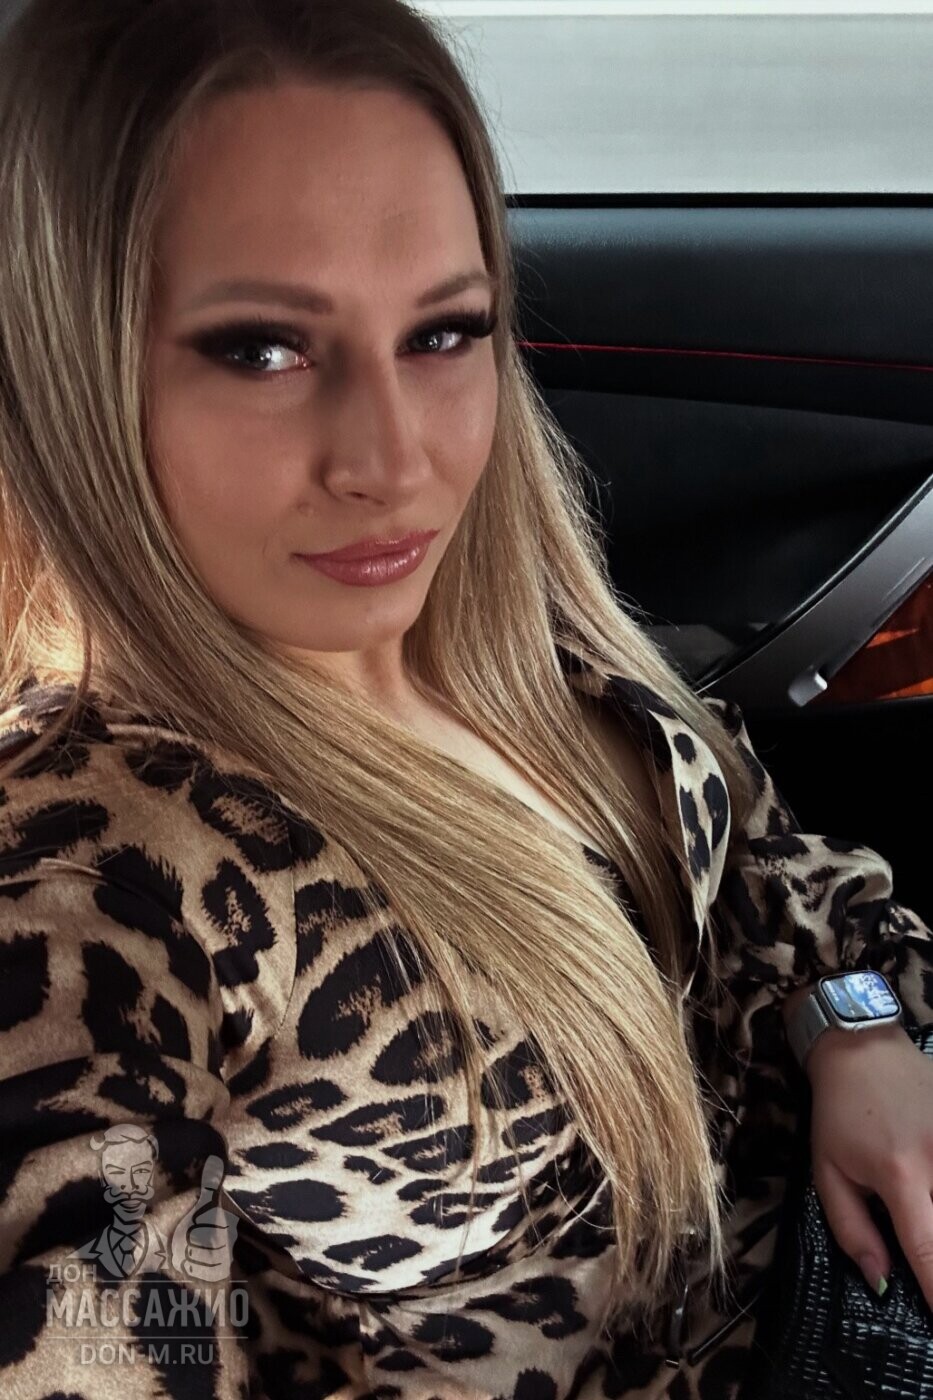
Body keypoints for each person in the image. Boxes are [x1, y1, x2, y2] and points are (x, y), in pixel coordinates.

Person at [0, 1, 929, 1396]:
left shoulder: (499, 621)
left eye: (442, 333)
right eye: (261, 349)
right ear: (67, 364)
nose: (392, 463)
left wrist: (852, 1026)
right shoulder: (87, 873)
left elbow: (759, 855)